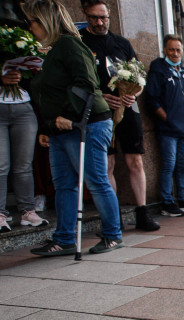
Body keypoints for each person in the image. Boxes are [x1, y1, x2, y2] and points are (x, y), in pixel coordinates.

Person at [22, 0, 123, 256]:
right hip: (60, 129)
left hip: (86, 123)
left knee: (96, 180)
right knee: (64, 184)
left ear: (46, 21)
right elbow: (51, 94)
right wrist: (48, 126)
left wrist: (67, 114)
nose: (29, 27)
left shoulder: (69, 44)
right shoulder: (53, 50)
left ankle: (113, 235)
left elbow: (87, 83)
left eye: (32, 21)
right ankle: (65, 239)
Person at [80, 0, 160, 232]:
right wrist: (101, 97)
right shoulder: (81, 42)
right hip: (99, 110)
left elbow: (139, 76)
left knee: (135, 160)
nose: (100, 22)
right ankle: (113, 216)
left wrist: (133, 94)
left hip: (128, 108)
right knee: (107, 163)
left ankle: (143, 212)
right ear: (86, 16)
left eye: (103, 17)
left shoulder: (121, 43)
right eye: (94, 17)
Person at [145, 34, 184, 218]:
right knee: (169, 164)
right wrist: (167, 119)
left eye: (178, 50)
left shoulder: (182, 72)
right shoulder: (159, 70)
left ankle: (183, 198)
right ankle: (167, 202)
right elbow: (152, 99)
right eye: (171, 49)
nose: (175, 53)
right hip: (168, 130)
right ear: (165, 50)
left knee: (182, 165)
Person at [1, 67, 47, 231]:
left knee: (24, 165)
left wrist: (29, 71)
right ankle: (0, 213)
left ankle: (28, 211)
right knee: (1, 165)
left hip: (23, 108)